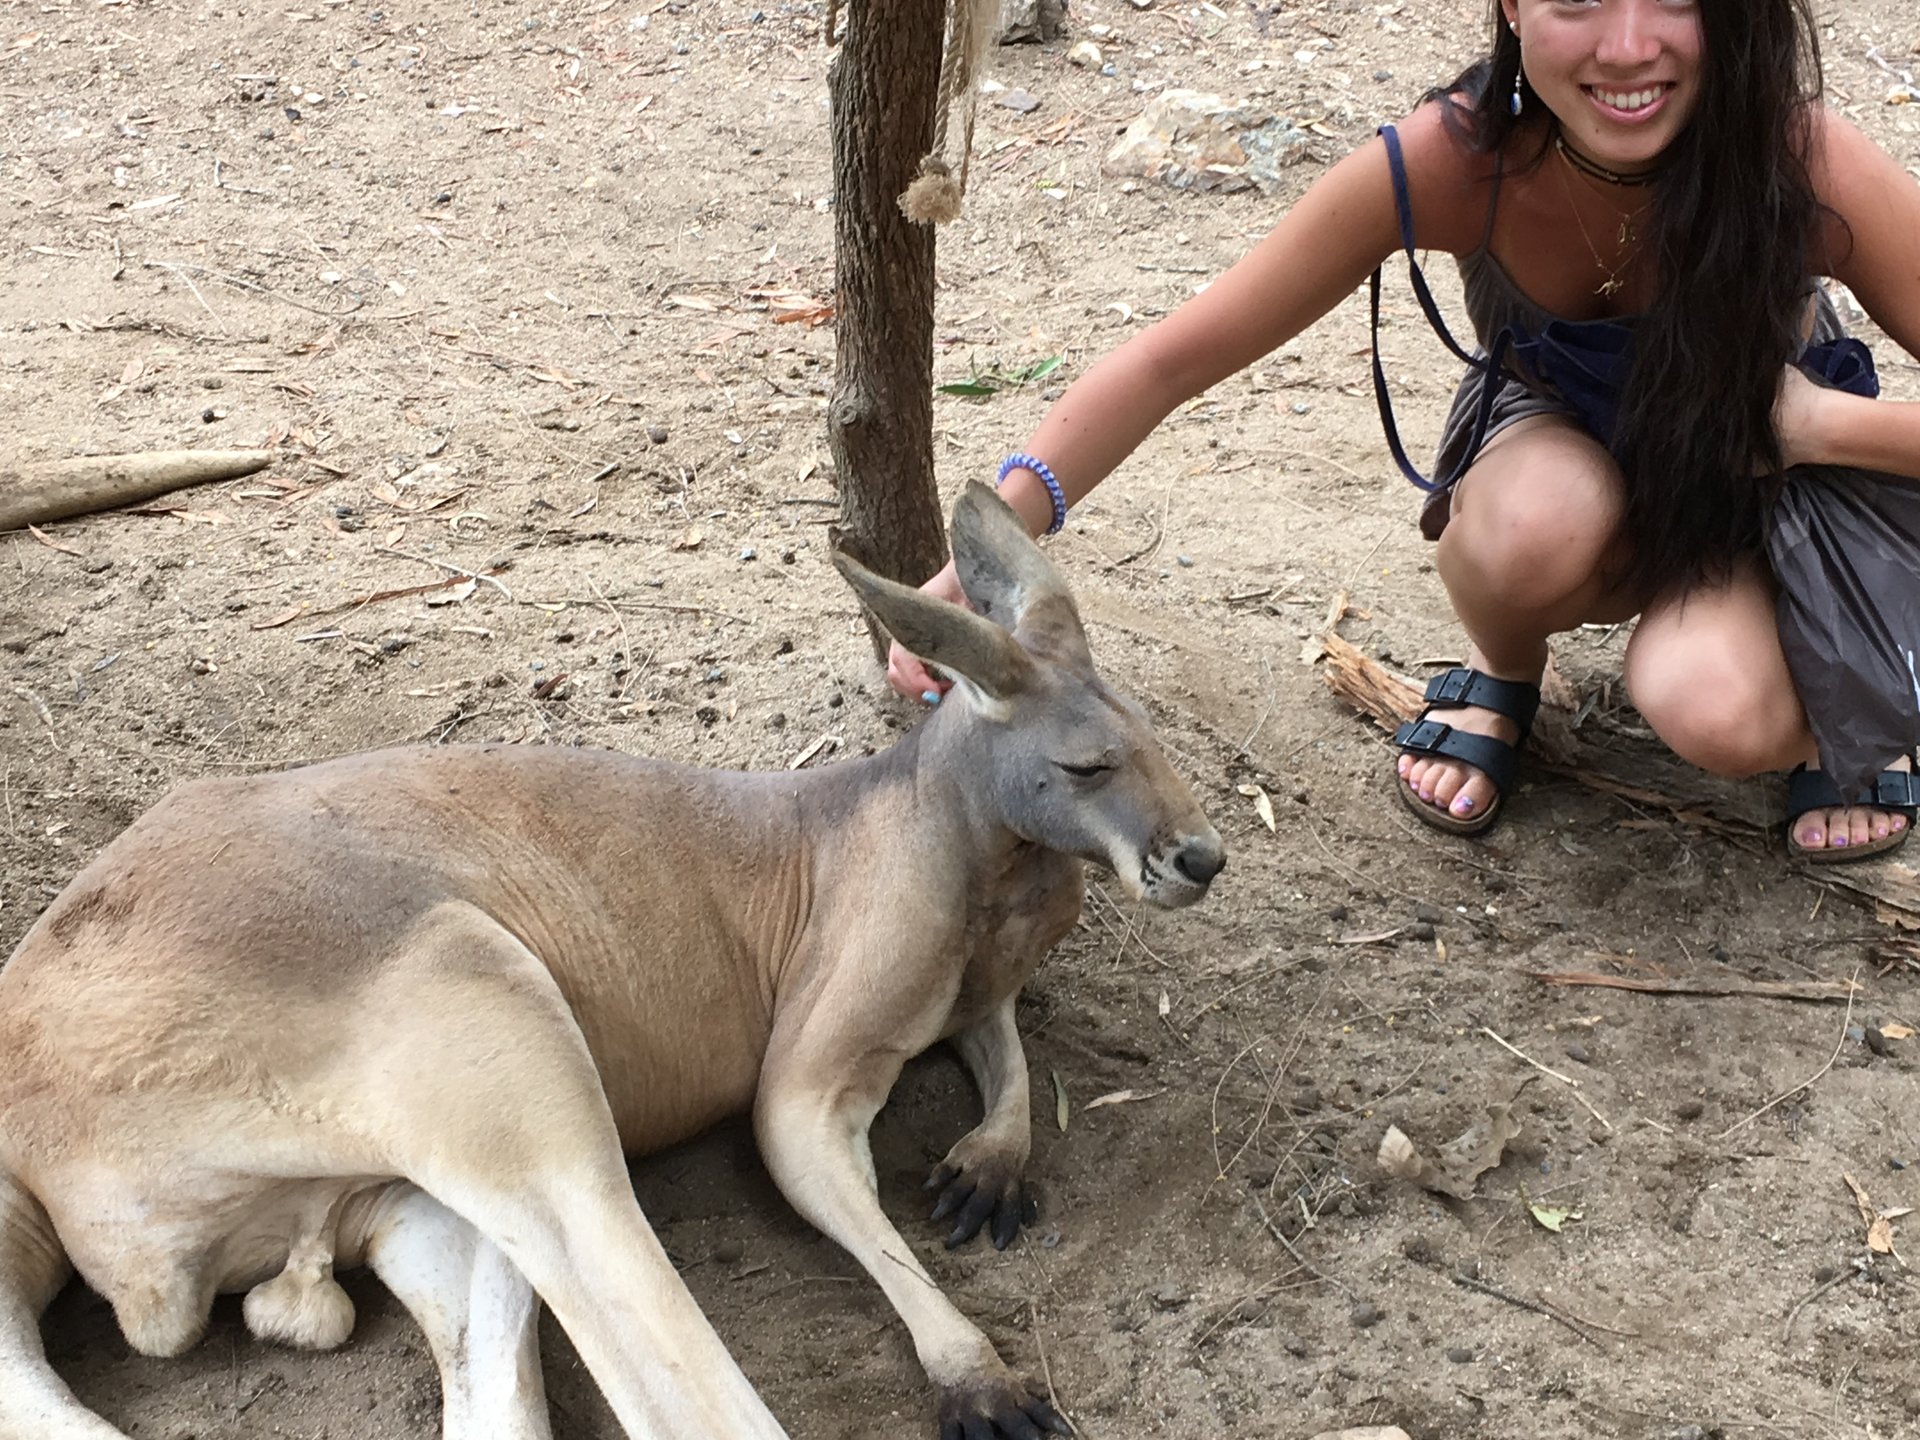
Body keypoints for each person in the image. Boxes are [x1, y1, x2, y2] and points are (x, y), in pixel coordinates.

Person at [887, 0, 1920, 861]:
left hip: (1762, 489)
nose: (1628, 45)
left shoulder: (1801, 160)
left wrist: (1823, 426)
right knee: (1528, 522)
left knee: (1714, 710)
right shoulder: (1458, 158)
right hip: (1564, 456)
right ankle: (1507, 674)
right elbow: (1175, 358)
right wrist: (984, 560)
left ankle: (1829, 678)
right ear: (1513, 3)